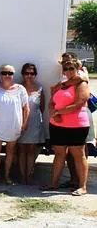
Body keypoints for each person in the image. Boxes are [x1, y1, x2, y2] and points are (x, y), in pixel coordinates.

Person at [42, 59, 91, 196]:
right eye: (66, 68)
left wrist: (58, 112)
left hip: (77, 125)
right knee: (59, 154)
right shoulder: (61, 85)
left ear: (77, 69)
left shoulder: (82, 83)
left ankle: (82, 186)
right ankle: (53, 183)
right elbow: (51, 102)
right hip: (57, 124)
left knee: (78, 154)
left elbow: (79, 103)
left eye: (71, 68)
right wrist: (52, 111)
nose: (68, 71)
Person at [0, 64, 29, 185]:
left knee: (10, 151)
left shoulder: (20, 89)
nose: (7, 75)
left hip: (14, 125)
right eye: (4, 73)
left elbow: (26, 108)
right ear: (0, 74)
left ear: (13, 75)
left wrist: (24, 124)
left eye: (10, 73)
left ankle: (7, 177)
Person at [17, 63, 45, 185]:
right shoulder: (17, 88)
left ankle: (29, 175)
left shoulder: (39, 88)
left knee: (32, 150)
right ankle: (23, 176)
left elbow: (42, 107)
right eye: (27, 73)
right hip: (21, 122)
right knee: (22, 150)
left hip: (35, 122)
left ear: (35, 75)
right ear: (23, 74)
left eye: (32, 73)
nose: (29, 75)